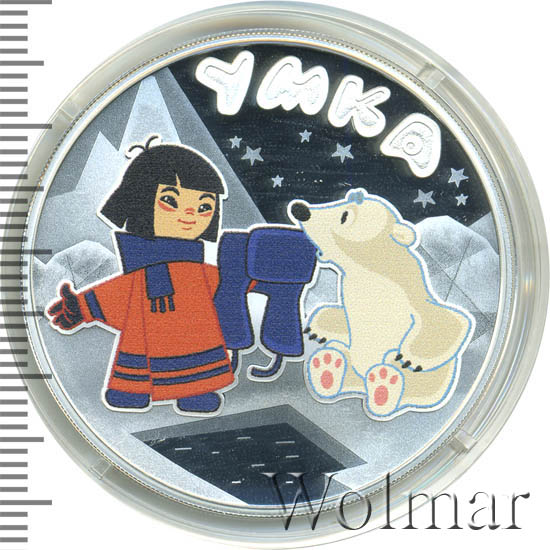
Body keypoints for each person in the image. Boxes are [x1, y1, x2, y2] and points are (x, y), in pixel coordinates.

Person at [47, 137, 233, 414]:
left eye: (204, 206)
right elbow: (115, 293)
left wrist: (247, 277)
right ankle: (133, 390)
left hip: (196, 338)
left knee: (193, 363)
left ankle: (194, 391)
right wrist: (81, 307)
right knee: (136, 359)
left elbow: (224, 283)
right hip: (146, 339)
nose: (191, 214)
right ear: (141, 201)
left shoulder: (198, 270)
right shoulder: (140, 274)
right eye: (170, 200)